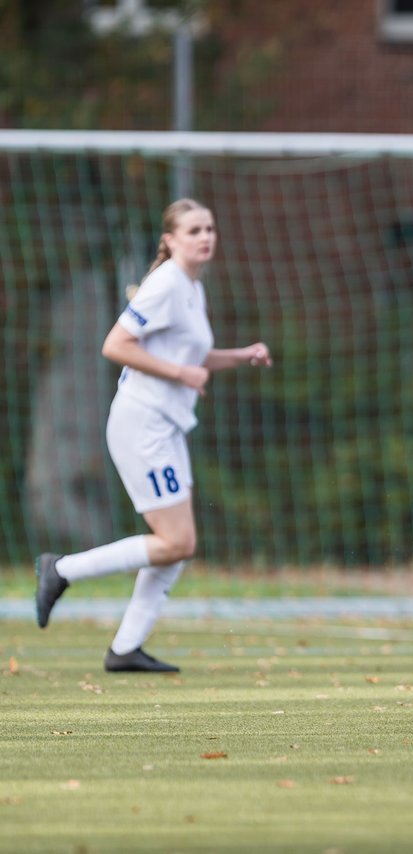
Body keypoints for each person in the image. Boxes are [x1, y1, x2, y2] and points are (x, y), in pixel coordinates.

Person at [35, 198, 272, 673]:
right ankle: (60, 570)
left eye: (209, 228)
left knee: (179, 545)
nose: (205, 237)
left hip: (166, 427)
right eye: (193, 230)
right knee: (177, 542)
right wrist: (180, 375)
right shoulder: (163, 285)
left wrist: (239, 355)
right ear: (170, 239)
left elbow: (190, 354)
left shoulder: (190, 286)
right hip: (143, 426)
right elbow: (115, 345)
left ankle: (126, 648)